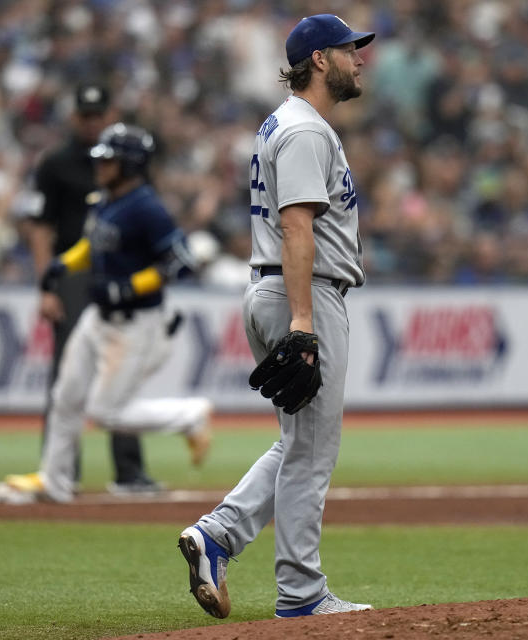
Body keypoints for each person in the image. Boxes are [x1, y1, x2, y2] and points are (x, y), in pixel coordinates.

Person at [178, 14, 374, 619]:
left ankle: (218, 535)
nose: (359, 59)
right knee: (312, 453)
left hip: (276, 288)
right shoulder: (305, 130)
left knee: (297, 442)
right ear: (318, 59)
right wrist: (302, 321)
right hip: (302, 292)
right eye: (348, 50)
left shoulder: (281, 123)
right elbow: (297, 226)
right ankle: (301, 593)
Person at [6, 123, 213, 503]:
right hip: (98, 316)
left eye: (109, 160)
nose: (100, 166)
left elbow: (181, 261)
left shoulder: (147, 207)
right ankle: (55, 480)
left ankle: (189, 416)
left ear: (130, 165)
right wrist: (63, 264)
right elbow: (93, 244)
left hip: (135, 324)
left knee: (106, 412)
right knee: (65, 395)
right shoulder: (106, 199)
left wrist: (130, 286)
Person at [13, 83, 160, 494]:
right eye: (86, 115)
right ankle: (61, 471)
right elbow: (40, 228)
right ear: (74, 117)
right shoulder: (55, 163)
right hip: (75, 277)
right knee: (66, 374)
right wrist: (48, 285)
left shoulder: (127, 160)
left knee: (122, 369)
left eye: (99, 115)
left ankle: (129, 472)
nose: (93, 122)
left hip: (117, 272)